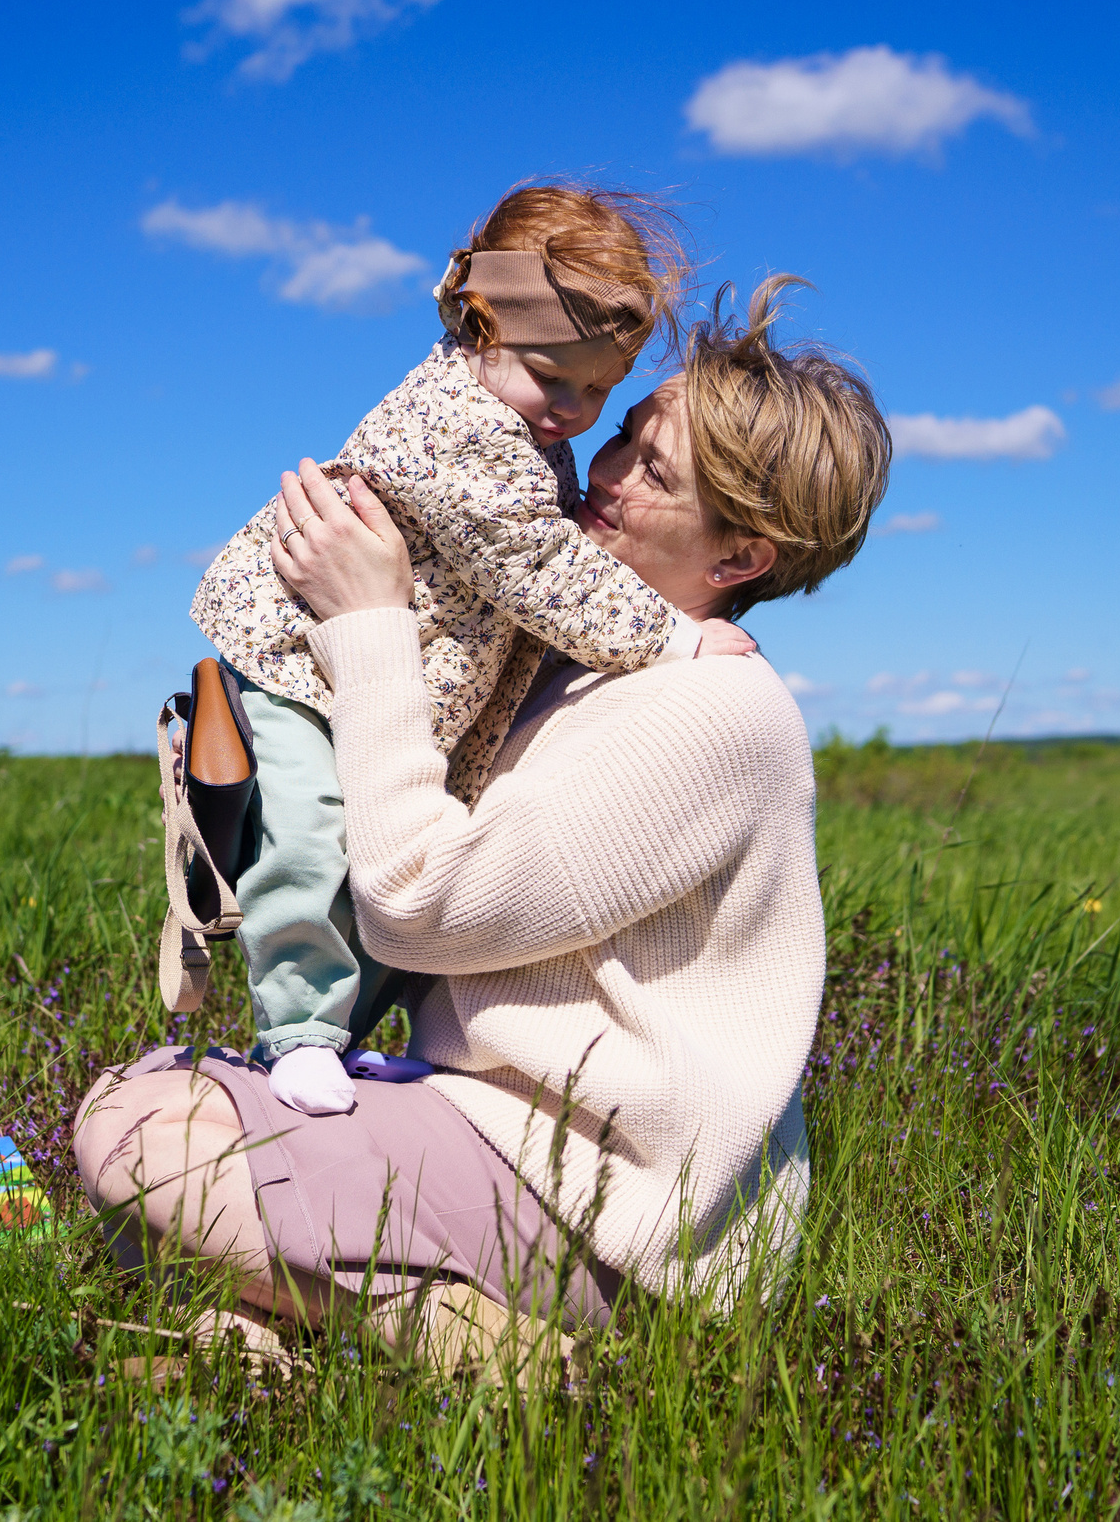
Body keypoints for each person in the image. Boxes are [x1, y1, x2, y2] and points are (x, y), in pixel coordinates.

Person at [74, 280, 894, 1362]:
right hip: (489, 1132)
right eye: (625, 437)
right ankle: (340, 1325)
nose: (599, 470)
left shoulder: (713, 712)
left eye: (651, 470)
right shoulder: (567, 669)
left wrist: (368, 623)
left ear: (739, 559)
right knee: (162, 1115)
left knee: (140, 1133)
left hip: (618, 1212)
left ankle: (523, 1359)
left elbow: (418, 911)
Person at [184, 183, 753, 1120]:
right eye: (550, 373)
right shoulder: (459, 424)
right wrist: (675, 640)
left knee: (385, 865)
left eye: (599, 391)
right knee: (314, 834)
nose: (573, 409)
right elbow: (536, 564)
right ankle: (296, 1030)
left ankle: (336, 1040)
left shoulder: (519, 421)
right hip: (296, 661)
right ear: (479, 324)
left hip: (361, 671)